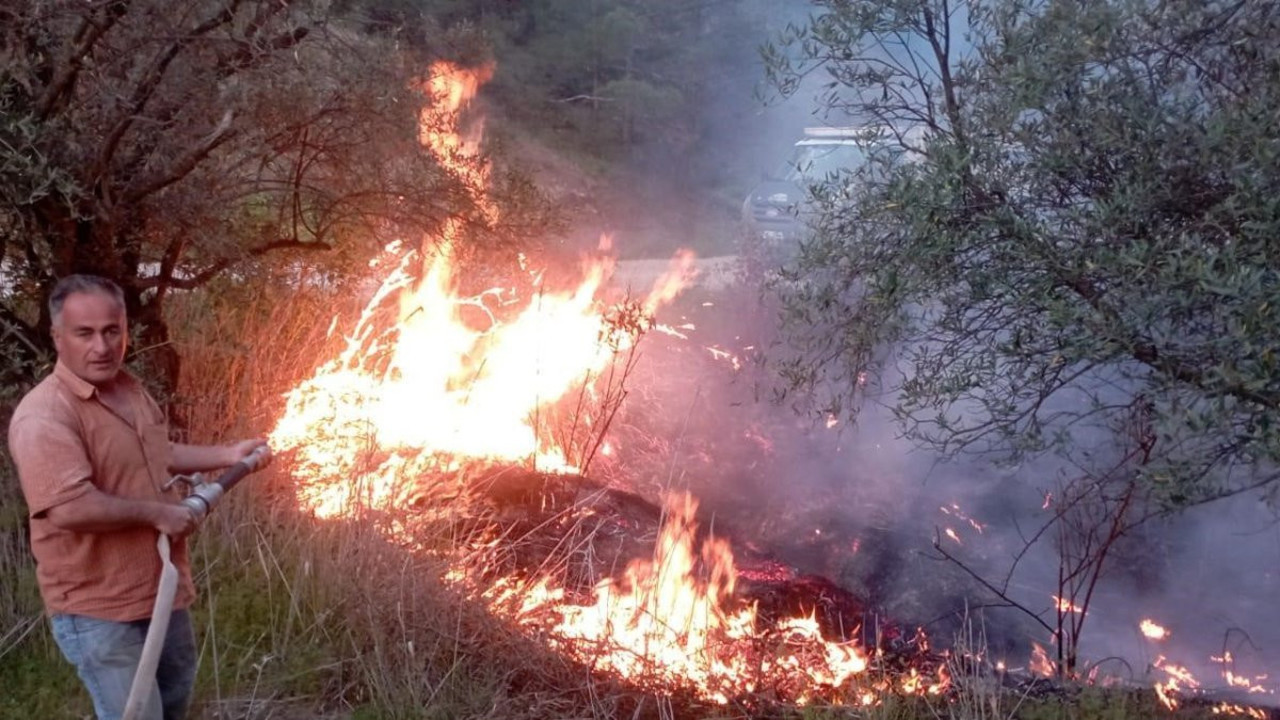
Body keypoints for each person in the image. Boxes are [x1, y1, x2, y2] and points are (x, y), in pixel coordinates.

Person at [7, 274, 271, 720]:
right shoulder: (44, 415)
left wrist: (227, 453)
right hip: (98, 610)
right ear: (57, 337)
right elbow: (71, 508)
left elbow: (157, 454)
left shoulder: (129, 390)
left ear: (126, 329)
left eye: (112, 331)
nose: (102, 346)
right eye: (84, 333)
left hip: (160, 592)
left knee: (172, 704)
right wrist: (159, 514)